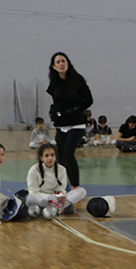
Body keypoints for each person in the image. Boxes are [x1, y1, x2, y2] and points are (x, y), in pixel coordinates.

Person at [47, 52, 93, 190]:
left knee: (68, 153)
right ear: (54, 66)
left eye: (63, 61)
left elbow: (89, 100)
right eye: (58, 62)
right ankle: (60, 183)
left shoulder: (77, 80)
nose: (61, 64)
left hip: (76, 123)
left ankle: (75, 185)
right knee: (60, 155)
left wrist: (75, 110)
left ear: (68, 63)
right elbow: (56, 103)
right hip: (62, 124)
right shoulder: (54, 83)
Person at [26, 143, 87, 215]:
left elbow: (61, 188)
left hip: (56, 200)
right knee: (30, 197)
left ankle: (57, 207)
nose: (50, 158)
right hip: (43, 200)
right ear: (41, 158)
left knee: (82, 191)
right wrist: (49, 197)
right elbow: (34, 192)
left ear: (55, 156)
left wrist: (61, 197)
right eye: (46, 155)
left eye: (52, 155)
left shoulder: (61, 169)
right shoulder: (33, 171)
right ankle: (58, 208)